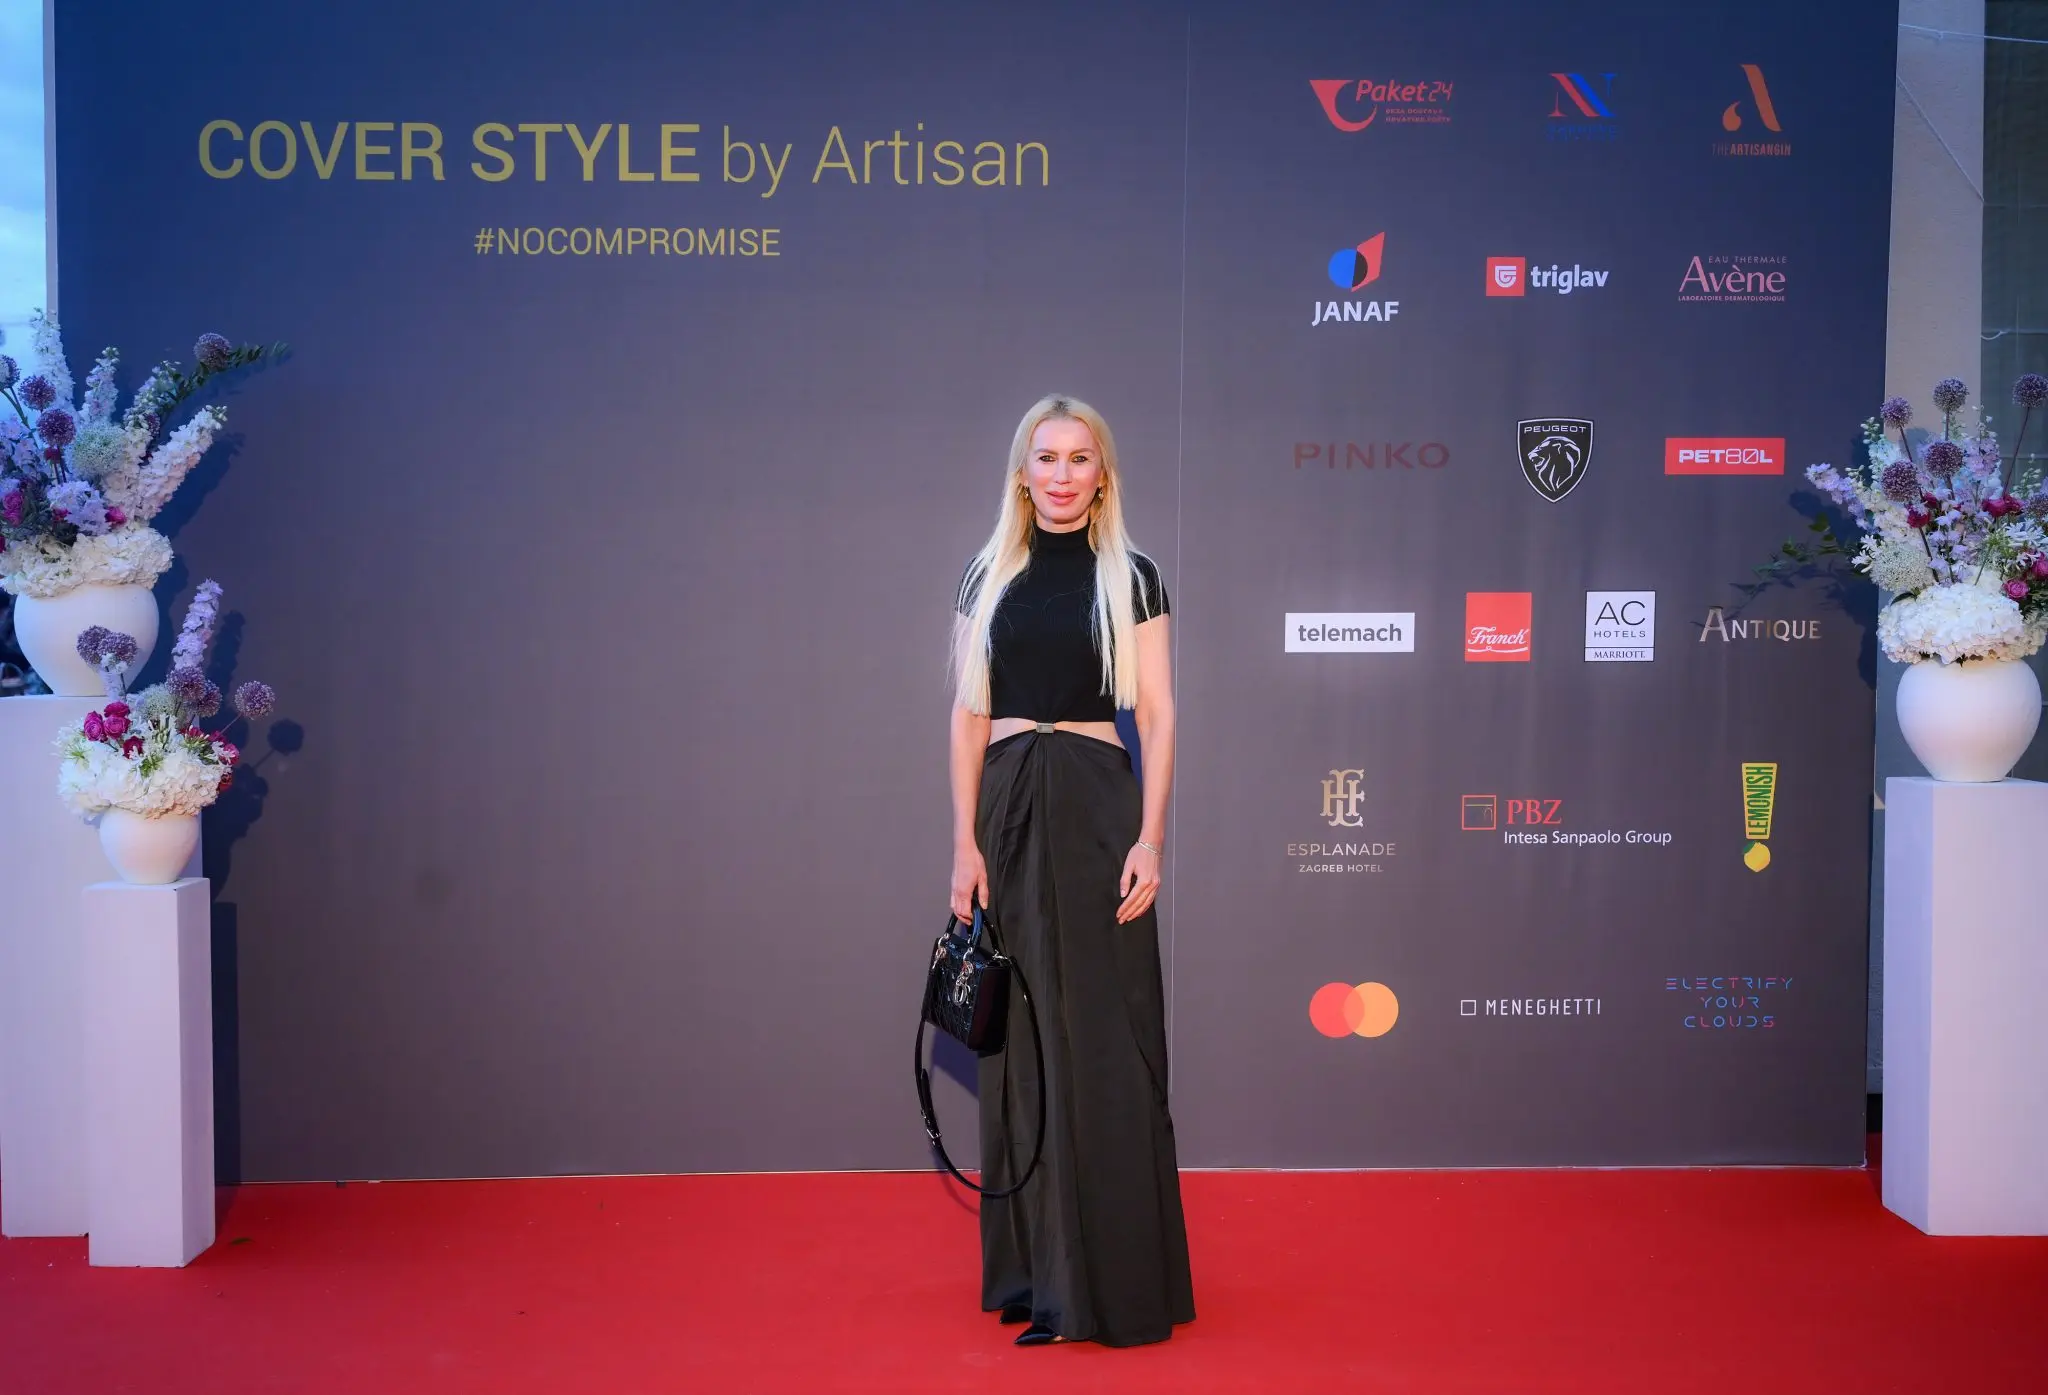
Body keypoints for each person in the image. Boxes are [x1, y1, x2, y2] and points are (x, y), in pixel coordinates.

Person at [947, 394, 1196, 1347]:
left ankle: (1105, 1282)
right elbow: (969, 716)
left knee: (1099, 1035)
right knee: (1019, 1037)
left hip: (1098, 804)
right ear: (1022, 473)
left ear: (1102, 474)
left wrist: (1150, 837)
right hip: (1008, 803)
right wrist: (963, 842)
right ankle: (1035, 1275)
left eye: (1078, 458)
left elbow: (1159, 714)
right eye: (1045, 457)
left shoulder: (1133, 576)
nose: (1060, 474)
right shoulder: (988, 574)